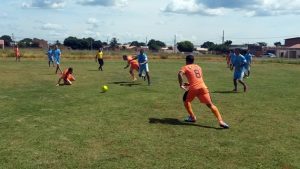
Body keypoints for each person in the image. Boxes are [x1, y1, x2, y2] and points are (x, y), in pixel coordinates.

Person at [178, 55, 229, 128]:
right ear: (193, 60)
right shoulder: (198, 67)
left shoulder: (185, 67)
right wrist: (189, 84)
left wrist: (181, 84)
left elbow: (180, 74)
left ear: (186, 61)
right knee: (210, 105)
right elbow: (198, 79)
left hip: (194, 89)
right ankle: (221, 121)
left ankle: (192, 117)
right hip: (203, 87)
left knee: (185, 100)